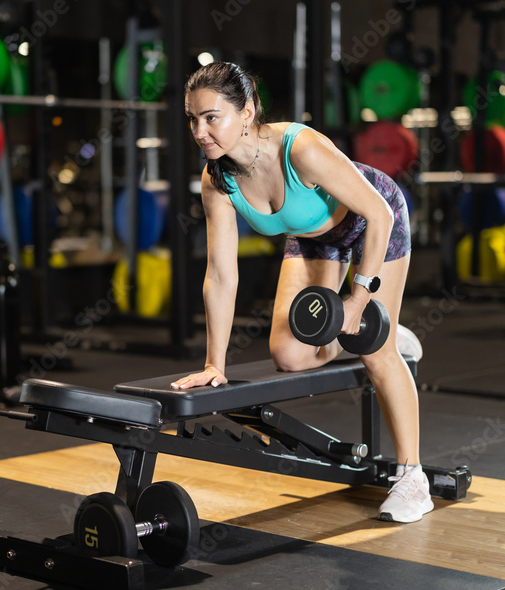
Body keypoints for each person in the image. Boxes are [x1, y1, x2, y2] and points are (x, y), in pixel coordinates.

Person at [170, 61, 430, 523]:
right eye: (192, 119)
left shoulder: (300, 148)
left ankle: (413, 477)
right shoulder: (217, 179)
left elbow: (379, 214)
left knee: (377, 353)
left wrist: (359, 300)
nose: (199, 131)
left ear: (247, 112)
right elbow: (221, 275)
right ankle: (385, 331)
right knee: (289, 354)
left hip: (374, 220)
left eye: (211, 117)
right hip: (313, 237)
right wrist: (214, 364)